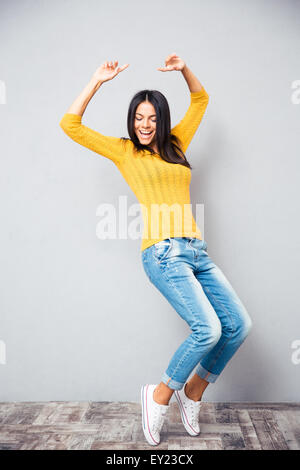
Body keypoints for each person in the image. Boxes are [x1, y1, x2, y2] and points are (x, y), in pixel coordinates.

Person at [59, 53, 253, 447]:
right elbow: (70, 125)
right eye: (137, 118)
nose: (143, 125)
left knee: (238, 326)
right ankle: (160, 394)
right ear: (131, 121)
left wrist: (183, 70)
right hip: (162, 253)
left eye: (150, 118)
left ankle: (193, 392)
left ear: (160, 120)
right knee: (208, 330)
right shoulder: (125, 151)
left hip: (196, 250)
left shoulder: (177, 142)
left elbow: (200, 100)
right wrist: (96, 81)